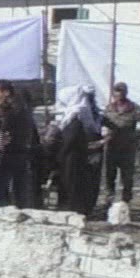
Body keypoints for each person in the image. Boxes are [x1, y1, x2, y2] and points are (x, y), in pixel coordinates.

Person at [48, 86, 102, 217]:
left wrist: (60, 153)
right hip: (71, 157)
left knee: (71, 184)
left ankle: (73, 209)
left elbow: (70, 139)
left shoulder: (75, 118)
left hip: (72, 158)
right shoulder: (72, 115)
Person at [0, 81, 39, 209]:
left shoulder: (13, 111)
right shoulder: (23, 109)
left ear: (6, 93)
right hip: (21, 151)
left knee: (0, 187)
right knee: (19, 187)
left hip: (11, 152)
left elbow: (5, 132)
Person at [101, 82, 140, 205]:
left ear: (126, 92)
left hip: (127, 149)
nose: (119, 93)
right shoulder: (109, 108)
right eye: (117, 90)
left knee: (127, 178)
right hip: (112, 147)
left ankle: (126, 202)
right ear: (113, 93)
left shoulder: (134, 108)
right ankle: (109, 202)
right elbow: (101, 122)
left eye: (121, 91)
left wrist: (138, 135)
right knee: (109, 176)